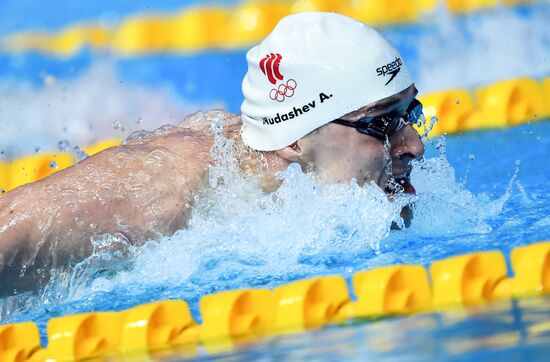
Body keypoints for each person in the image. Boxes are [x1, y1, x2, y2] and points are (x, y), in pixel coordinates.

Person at [0, 12, 424, 295]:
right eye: (381, 124)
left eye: (410, 113)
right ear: (294, 140)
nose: (413, 146)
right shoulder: (166, 194)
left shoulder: (284, 186)